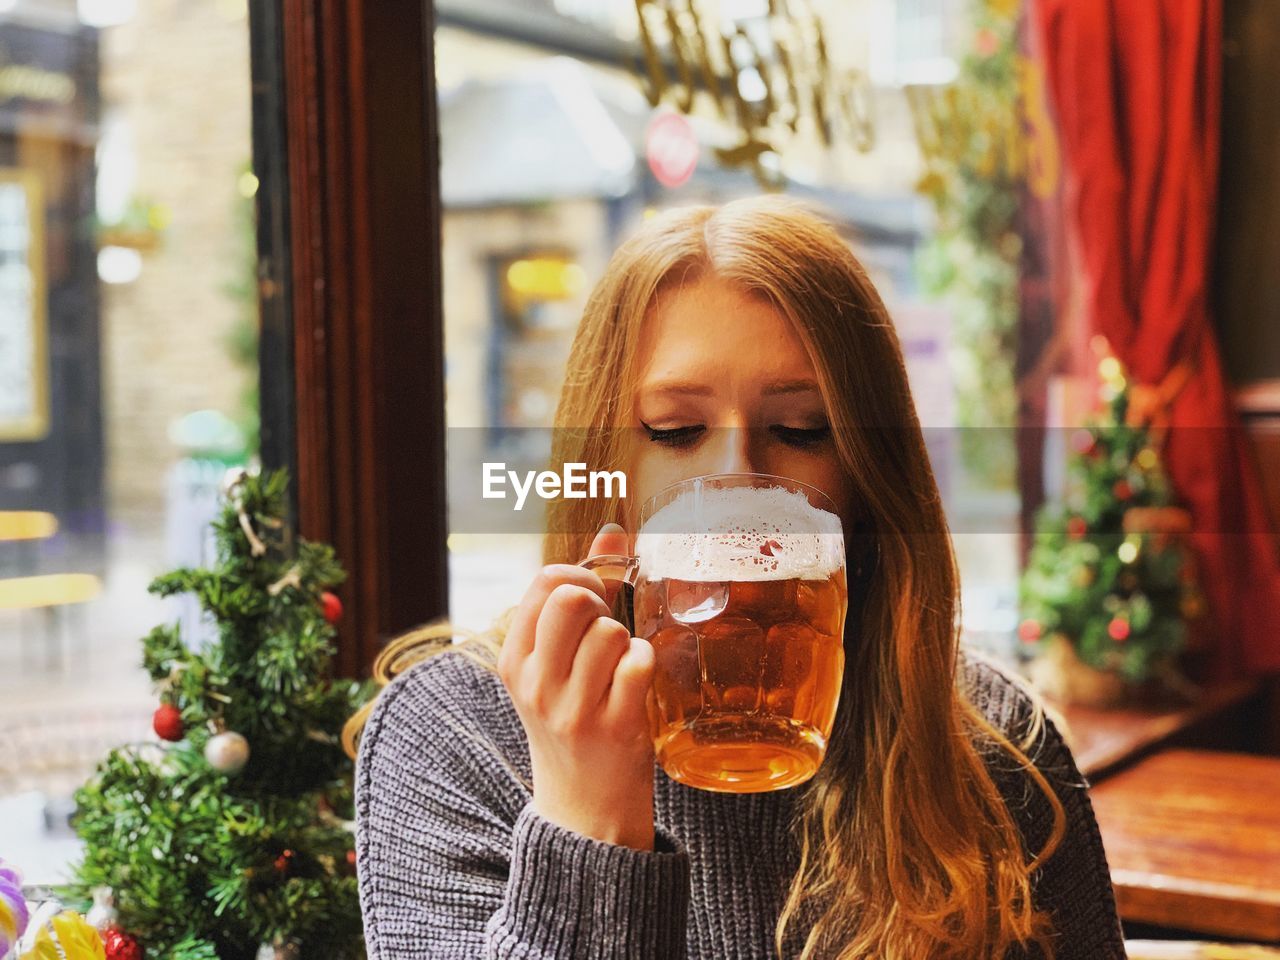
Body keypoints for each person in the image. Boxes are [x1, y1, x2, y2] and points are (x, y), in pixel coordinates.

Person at [344, 197, 1125, 959]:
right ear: (604, 470)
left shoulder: (992, 742)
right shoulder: (454, 734)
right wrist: (587, 822)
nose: (738, 489)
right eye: (676, 431)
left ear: (865, 476)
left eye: (800, 430)